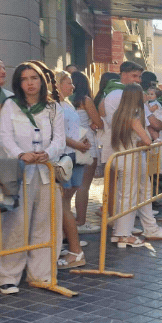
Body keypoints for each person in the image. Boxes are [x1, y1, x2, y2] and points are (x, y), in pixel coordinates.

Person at [0, 62, 65, 295]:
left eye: (34, 78)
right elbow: (5, 137)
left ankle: (41, 273)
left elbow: (59, 139)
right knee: (16, 224)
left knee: (46, 223)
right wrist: (21, 155)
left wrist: (48, 153)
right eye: (24, 79)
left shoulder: (53, 108)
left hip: (46, 171)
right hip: (18, 172)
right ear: (18, 83)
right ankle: (7, 275)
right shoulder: (11, 105)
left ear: (42, 81)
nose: (30, 83)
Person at [109, 85, 162, 247]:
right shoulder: (134, 115)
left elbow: (131, 139)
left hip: (124, 156)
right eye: (143, 94)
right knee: (129, 196)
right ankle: (123, 234)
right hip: (131, 159)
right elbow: (145, 139)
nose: (145, 96)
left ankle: (122, 231)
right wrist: (153, 142)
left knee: (125, 195)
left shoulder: (119, 114)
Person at [54, 71, 89, 269]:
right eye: (69, 83)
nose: (73, 87)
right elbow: (60, 134)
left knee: (64, 202)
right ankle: (67, 243)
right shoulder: (56, 105)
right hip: (67, 155)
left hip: (72, 156)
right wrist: (78, 144)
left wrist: (79, 144)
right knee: (63, 203)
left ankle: (69, 244)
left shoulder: (66, 104)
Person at [70, 71, 104, 234]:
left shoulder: (66, 102)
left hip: (71, 143)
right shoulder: (85, 100)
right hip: (87, 143)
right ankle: (81, 221)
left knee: (72, 186)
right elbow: (98, 122)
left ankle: (72, 219)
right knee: (84, 186)